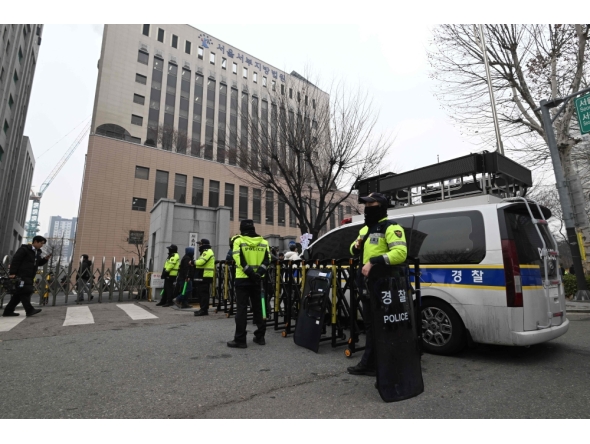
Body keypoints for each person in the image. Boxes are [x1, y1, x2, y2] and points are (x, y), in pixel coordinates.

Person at [347, 192, 407, 377]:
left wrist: (374, 261)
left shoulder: (391, 227)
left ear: (380, 206)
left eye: (370, 205)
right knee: (370, 326)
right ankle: (373, 362)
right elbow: (351, 249)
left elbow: (400, 253)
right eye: (365, 205)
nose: (366, 209)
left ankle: (378, 363)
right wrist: (355, 247)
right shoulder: (365, 230)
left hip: (383, 287)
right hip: (367, 286)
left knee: (382, 326)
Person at [227, 219, 271, 348]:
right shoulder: (263, 242)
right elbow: (267, 260)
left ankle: (240, 340)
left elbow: (237, 258)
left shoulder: (238, 240)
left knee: (242, 309)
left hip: (242, 279)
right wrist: (258, 273)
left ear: (241, 229)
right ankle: (260, 337)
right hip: (258, 279)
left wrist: (250, 273)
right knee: (259, 308)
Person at [2, 236, 51, 317]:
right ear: (35, 241)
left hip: (30, 275)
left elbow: (39, 263)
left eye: (43, 244)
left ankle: (8, 311)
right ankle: (29, 310)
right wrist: (12, 273)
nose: (42, 245)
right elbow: (15, 260)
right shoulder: (24, 249)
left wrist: (45, 259)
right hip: (21, 275)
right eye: (41, 243)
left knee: (19, 294)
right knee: (25, 291)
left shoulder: (37, 252)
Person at [193, 239, 215, 316]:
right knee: (201, 293)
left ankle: (204, 310)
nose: (199, 246)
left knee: (203, 294)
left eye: (200, 244)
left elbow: (201, 262)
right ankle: (202, 309)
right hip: (203, 275)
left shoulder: (207, 252)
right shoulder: (204, 252)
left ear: (204, 244)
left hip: (206, 275)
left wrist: (193, 262)